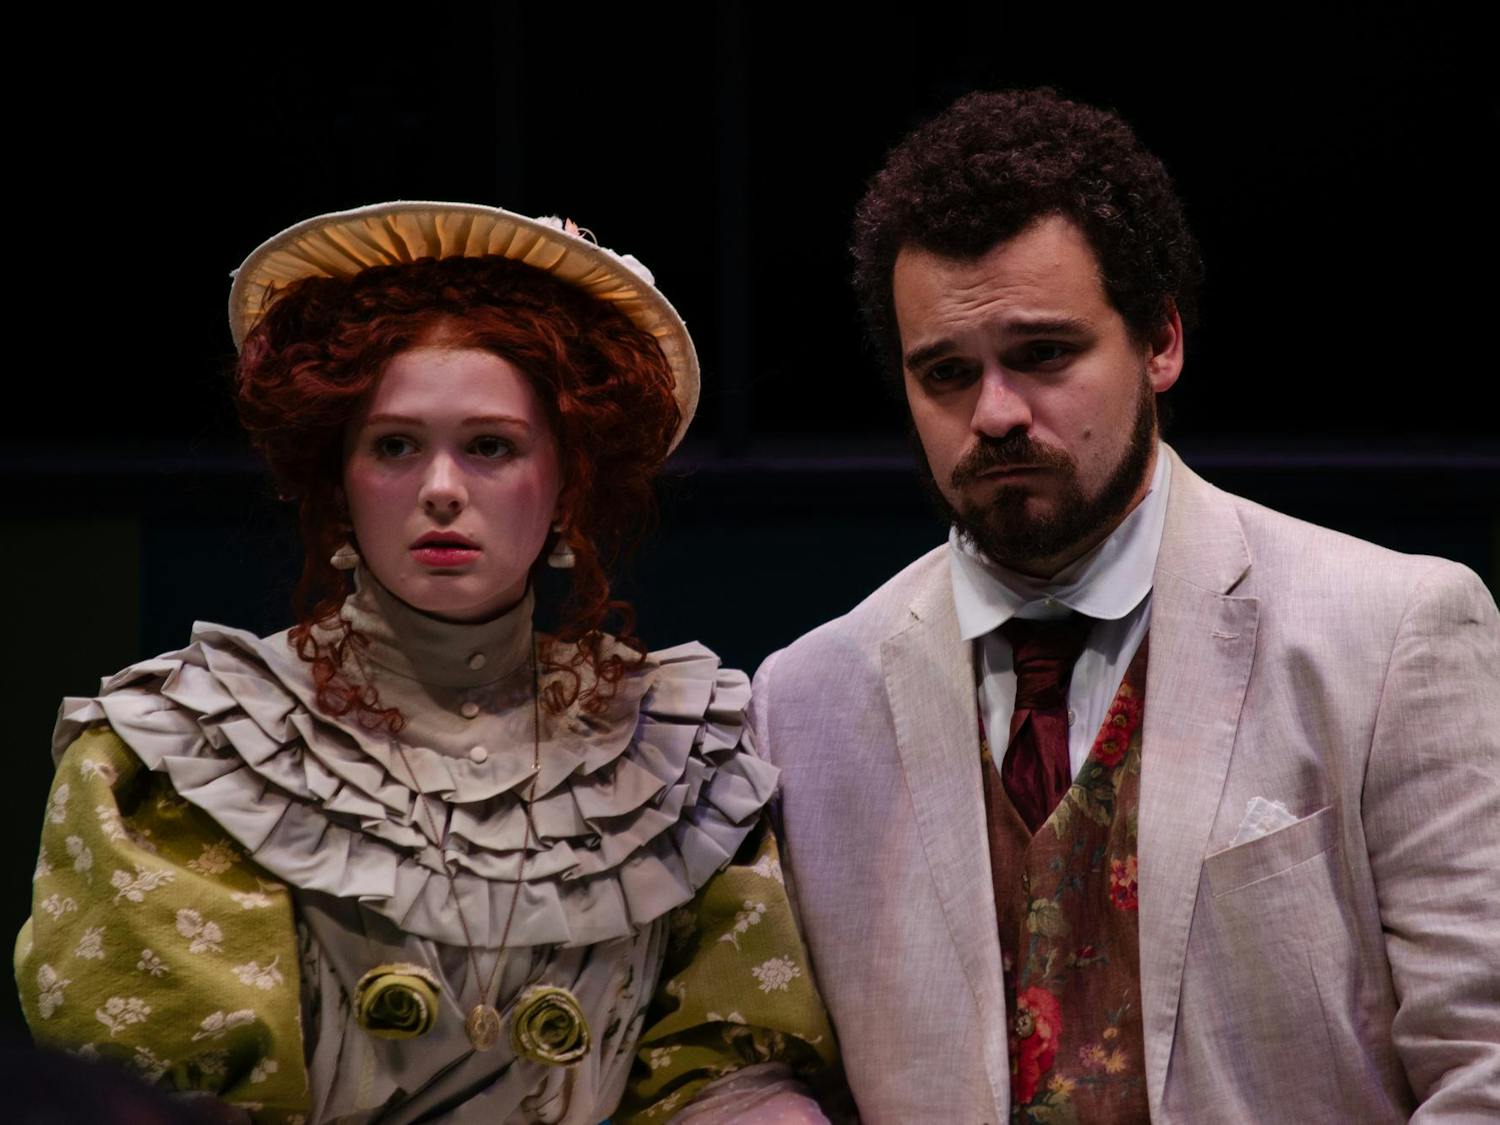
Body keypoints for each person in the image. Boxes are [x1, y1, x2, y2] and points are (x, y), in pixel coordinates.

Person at [750, 89, 1500, 1122]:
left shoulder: (1389, 632)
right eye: (947, 374)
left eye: (1045, 355)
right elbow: (753, 1068)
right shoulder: (804, 702)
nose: (997, 413)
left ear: (1160, 341)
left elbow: (1484, 1061)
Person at [16, 202, 836, 1123]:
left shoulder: (678, 757)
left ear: (568, 484)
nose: (441, 490)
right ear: (338, 477)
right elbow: (154, 1092)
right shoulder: (186, 748)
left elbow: (727, 1082)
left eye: (490, 446)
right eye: (396, 445)